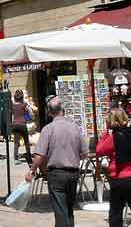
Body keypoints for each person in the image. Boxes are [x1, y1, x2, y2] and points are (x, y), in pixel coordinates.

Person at [26, 96, 88, 227]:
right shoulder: (75, 128)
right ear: (63, 110)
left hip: (56, 174)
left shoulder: (48, 129)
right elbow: (84, 153)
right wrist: (72, 156)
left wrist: (32, 171)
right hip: (73, 173)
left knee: (60, 212)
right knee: (69, 210)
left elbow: (40, 155)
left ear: (49, 112)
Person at [11, 90, 32, 165]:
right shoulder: (24, 104)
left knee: (16, 142)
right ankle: (29, 156)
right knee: (26, 142)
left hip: (15, 124)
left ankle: (16, 158)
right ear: (22, 97)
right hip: (22, 124)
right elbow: (29, 112)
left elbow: (12, 114)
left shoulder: (12, 105)